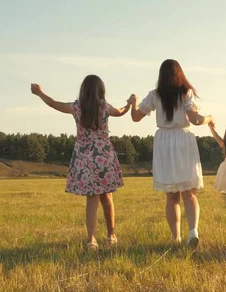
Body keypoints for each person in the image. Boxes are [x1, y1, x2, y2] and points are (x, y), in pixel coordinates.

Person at [30, 75, 132, 251]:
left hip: (84, 156)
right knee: (107, 197)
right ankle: (111, 235)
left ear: (83, 89)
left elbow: (53, 103)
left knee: (91, 199)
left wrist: (39, 92)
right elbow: (121, 112)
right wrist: (130, 103)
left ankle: (91, 240)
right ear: (101, 90)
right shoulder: (105, 107)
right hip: (103, 155)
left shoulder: (76, 107)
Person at [128, 59, 214, 248]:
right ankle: (193, 231)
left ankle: (176, 238)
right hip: (183, 141)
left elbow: (135, 117)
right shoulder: (185, 93)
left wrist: (133, 102)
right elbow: (195, 120)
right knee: (189, 193)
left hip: (164, 143)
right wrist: (209, 118)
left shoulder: (154, 95)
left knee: (172, 196)